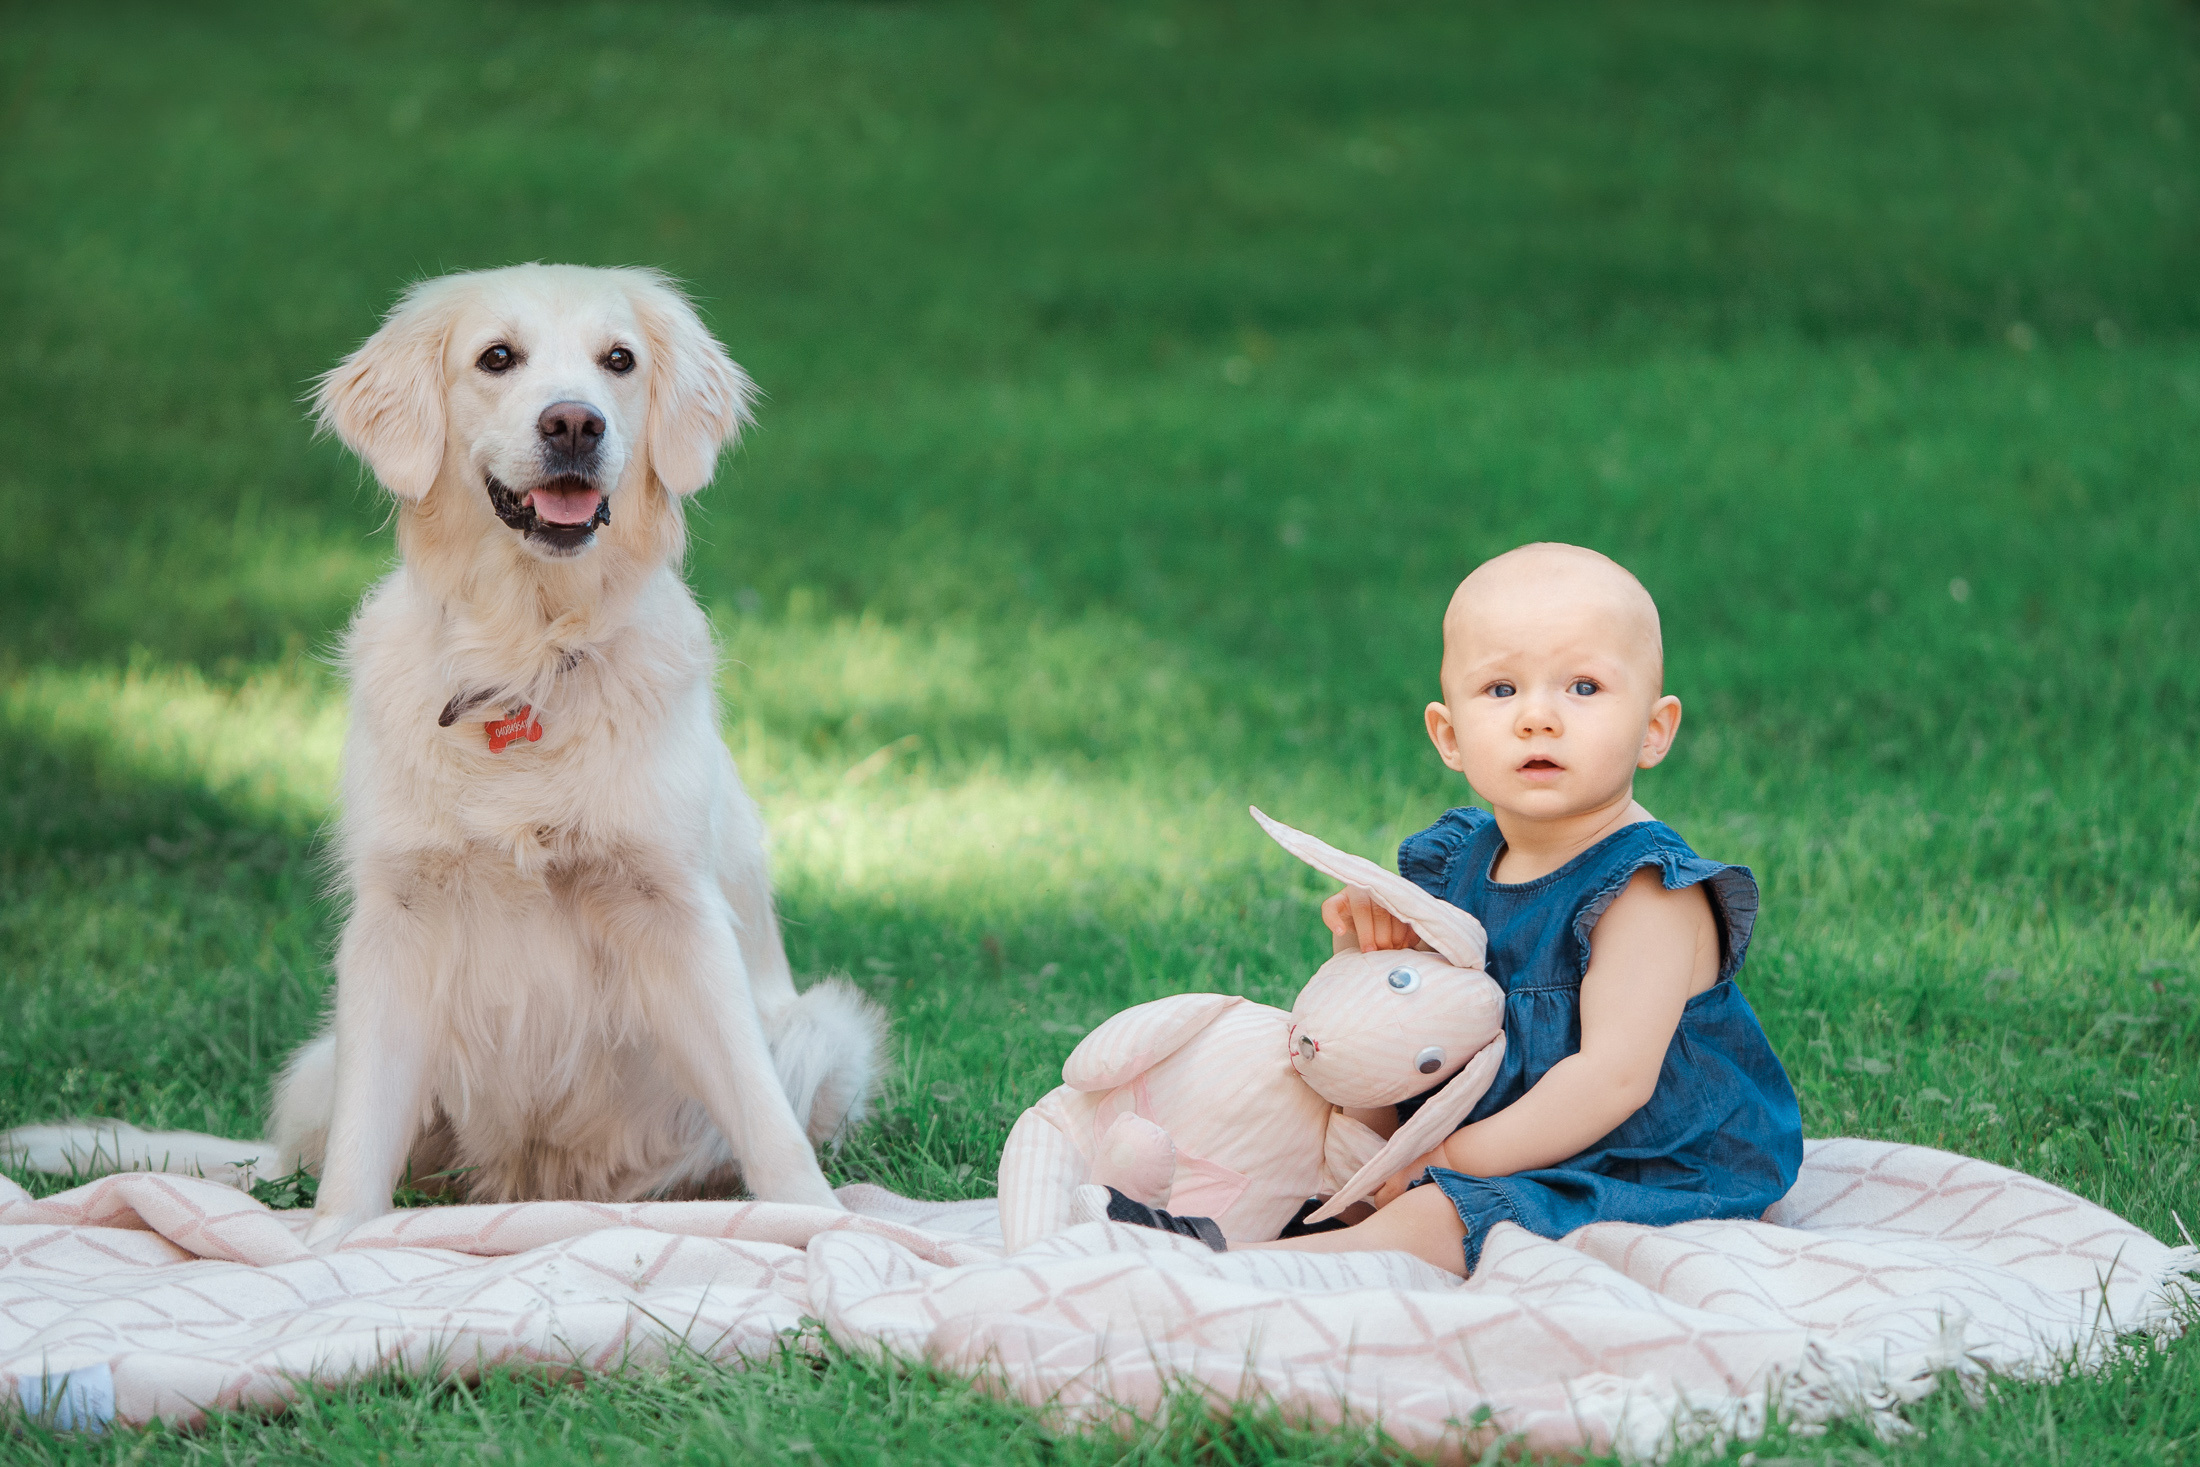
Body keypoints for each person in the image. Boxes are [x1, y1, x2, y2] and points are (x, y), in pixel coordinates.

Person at [1103, 542, 1802, 1277]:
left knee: (1442, 1212)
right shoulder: (1459, 857)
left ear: (1654, 729)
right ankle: (1214, 1210)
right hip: (1473, 1132)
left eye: (1585, 687)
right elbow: (1413, 1017)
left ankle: (1249, 1264)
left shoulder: (1647, 890)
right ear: (1449, 735)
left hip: (1646, 1160)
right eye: (1501, 689)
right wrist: (1368, 954)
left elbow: (1612, 1080)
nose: (1538, 717)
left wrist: (1448, 1156)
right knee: (1309, 1105)